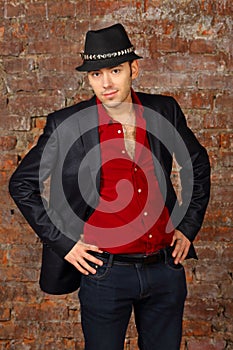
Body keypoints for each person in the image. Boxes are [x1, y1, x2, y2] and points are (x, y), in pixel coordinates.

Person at [9, 23, 210, 350]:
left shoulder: (164, 110)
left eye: (115, 70)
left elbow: (197, 164)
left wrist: (189, 226)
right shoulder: (68, 124)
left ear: (134, 68)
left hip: (165, 270)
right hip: (105, 274)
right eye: (96, 74)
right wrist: (65, 244)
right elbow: (22, 184)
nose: (106, 83)